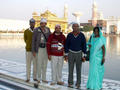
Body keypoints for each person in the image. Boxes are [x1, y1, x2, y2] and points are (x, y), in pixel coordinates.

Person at [65, 23, 86, 89]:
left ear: (78, 27)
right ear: (72, 27)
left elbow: (84, 45)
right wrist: (66, 54)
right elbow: (66, 45)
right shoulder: (69, 35)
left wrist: (84, 55)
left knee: (78, 69)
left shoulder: (82, 35)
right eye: (74, 26)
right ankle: (70, 83)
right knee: (70, 69)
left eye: (77, 26)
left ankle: (78, 83)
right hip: (71, 53)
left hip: (79, 53)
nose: (75, 28)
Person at [32, 18, 51, 83]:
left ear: (46, 24)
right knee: (39, 64)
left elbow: (50, 39)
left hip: (45, 48)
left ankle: (44, 78)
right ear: (40, 23)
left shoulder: (48, 29)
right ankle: (38, 78)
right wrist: (33, 51)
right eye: (42, 23)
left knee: (45, 64)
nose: (43, 24)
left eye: (44, 23)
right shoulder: (36, 30)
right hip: (39, 48)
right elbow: (33, 40)